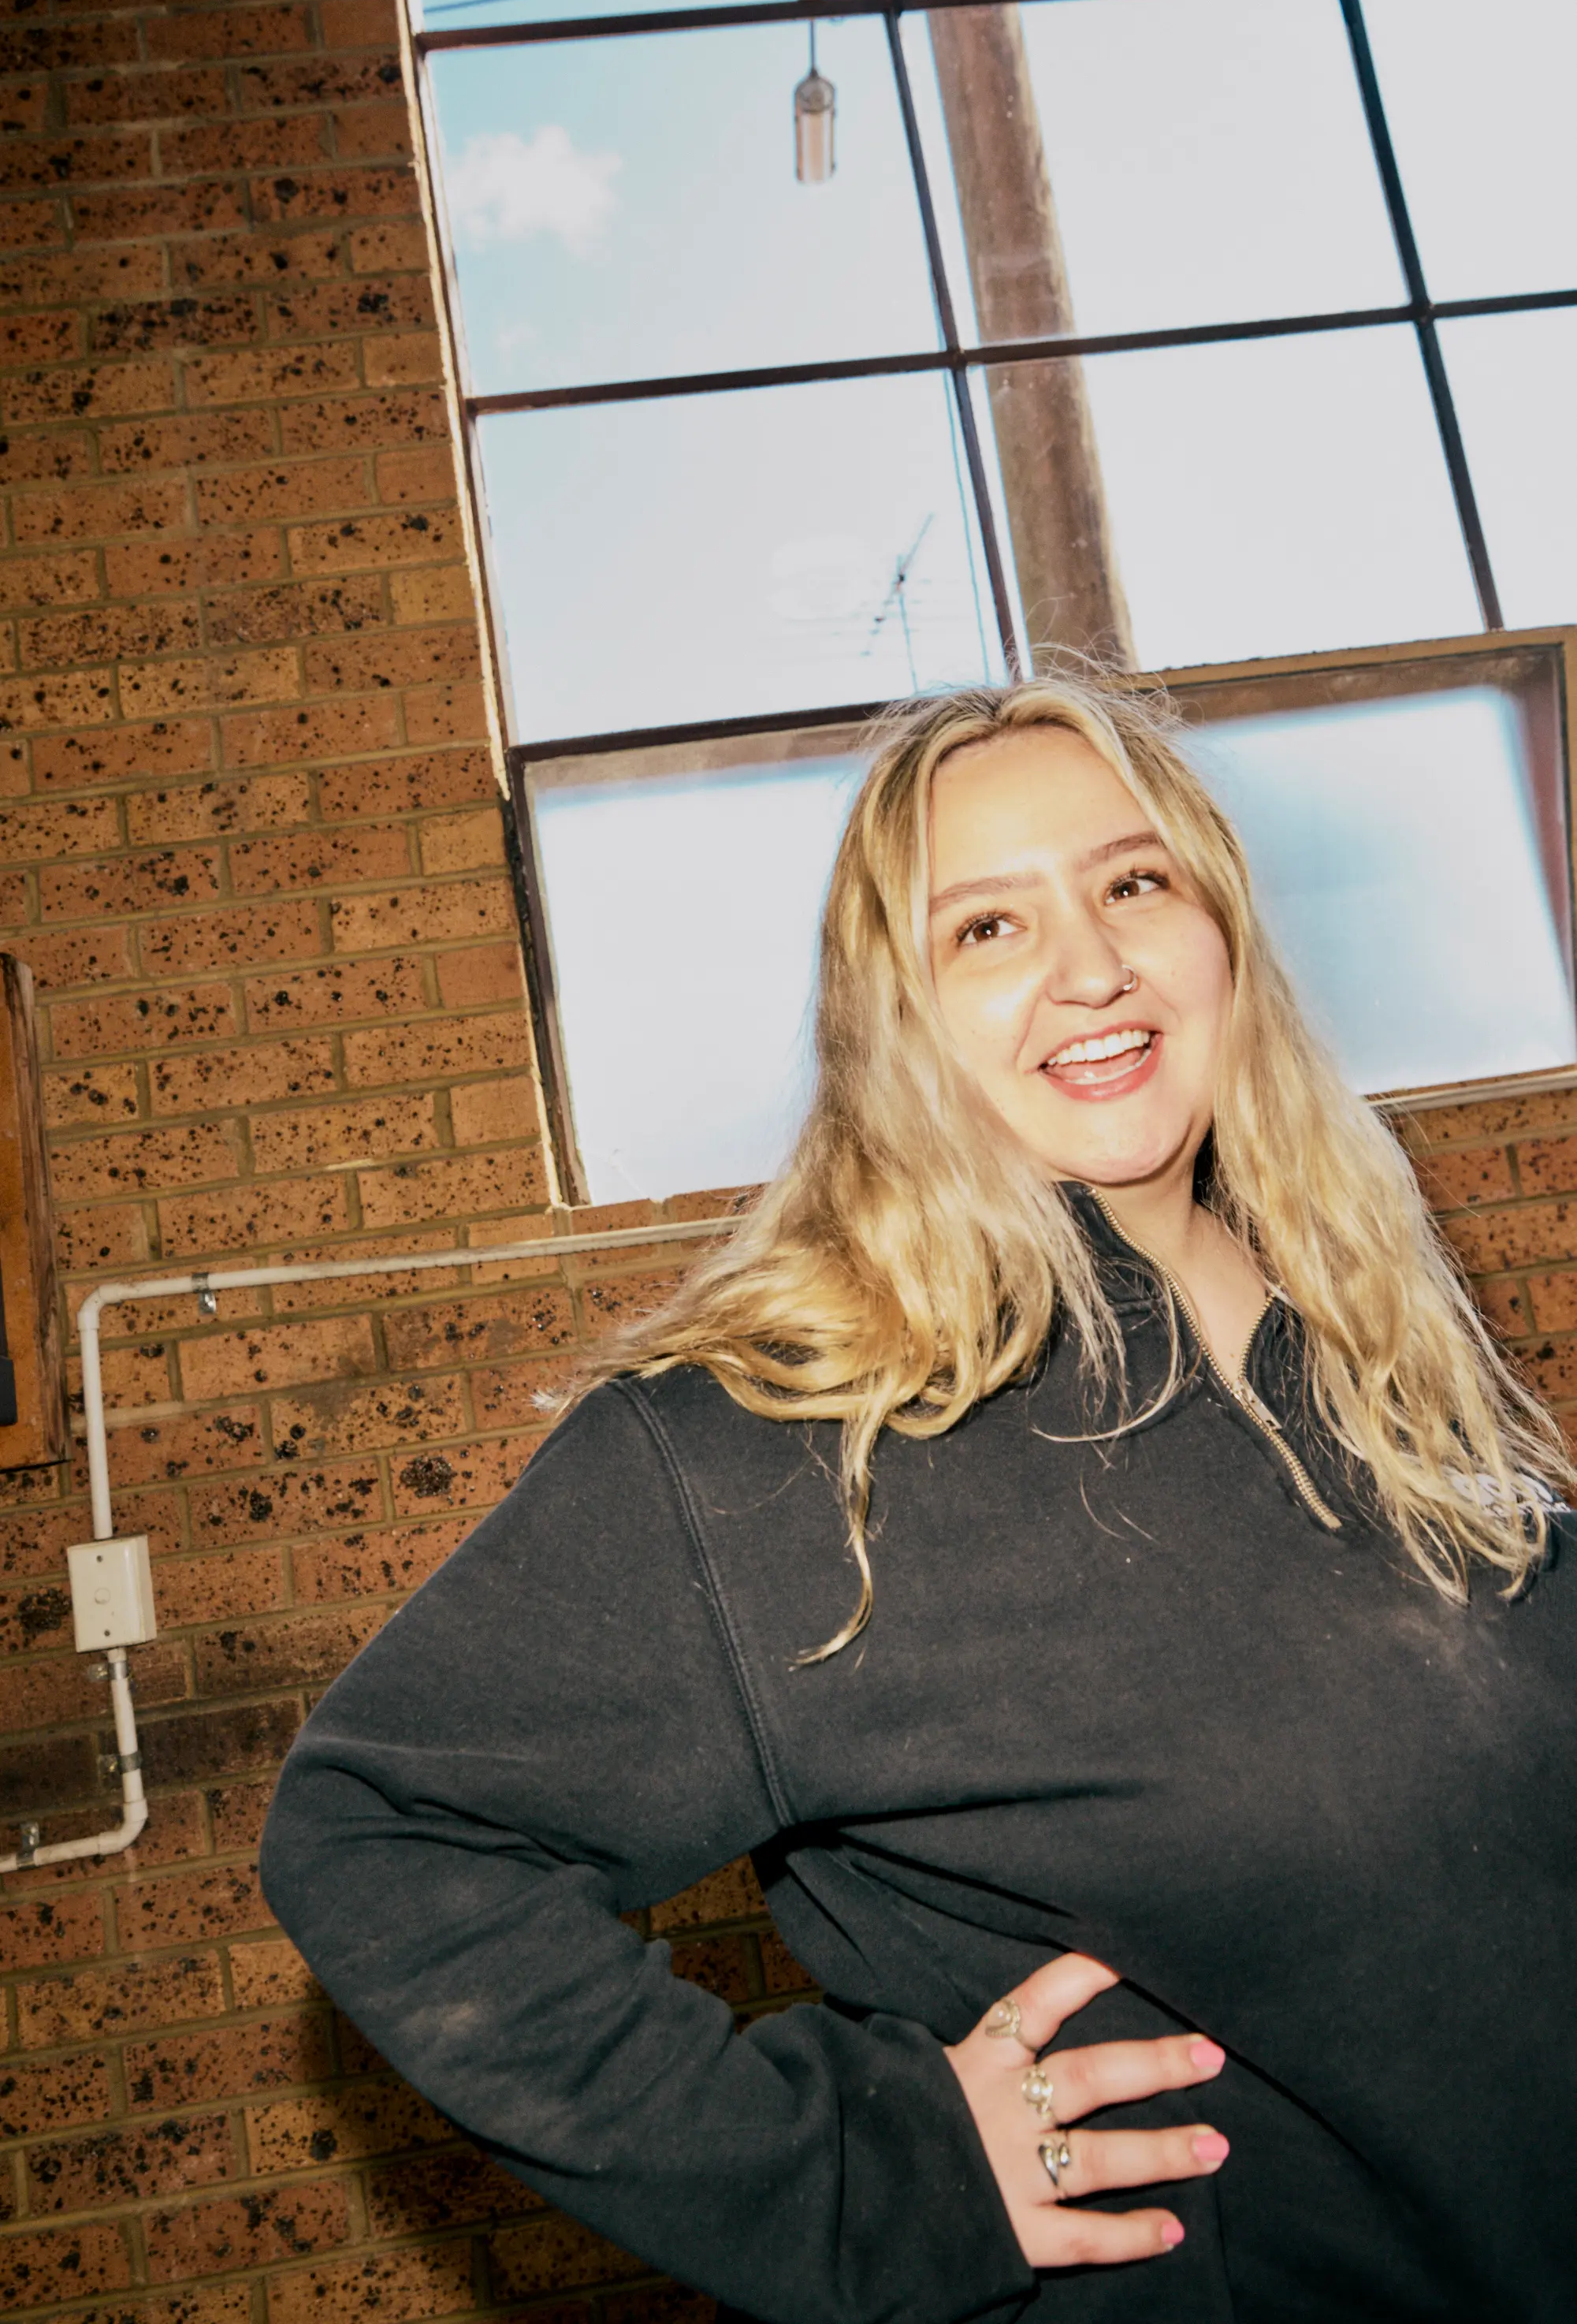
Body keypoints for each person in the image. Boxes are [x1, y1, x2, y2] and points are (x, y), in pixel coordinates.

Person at [260, 671, 1577, 2323]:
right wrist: (870, 2177)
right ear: (892, 1017)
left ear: (1219, 925)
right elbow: (385, 1837)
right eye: (988, 930)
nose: (1091, 964)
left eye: (1131, 882)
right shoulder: (781, 1445)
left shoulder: (1369, 1311)